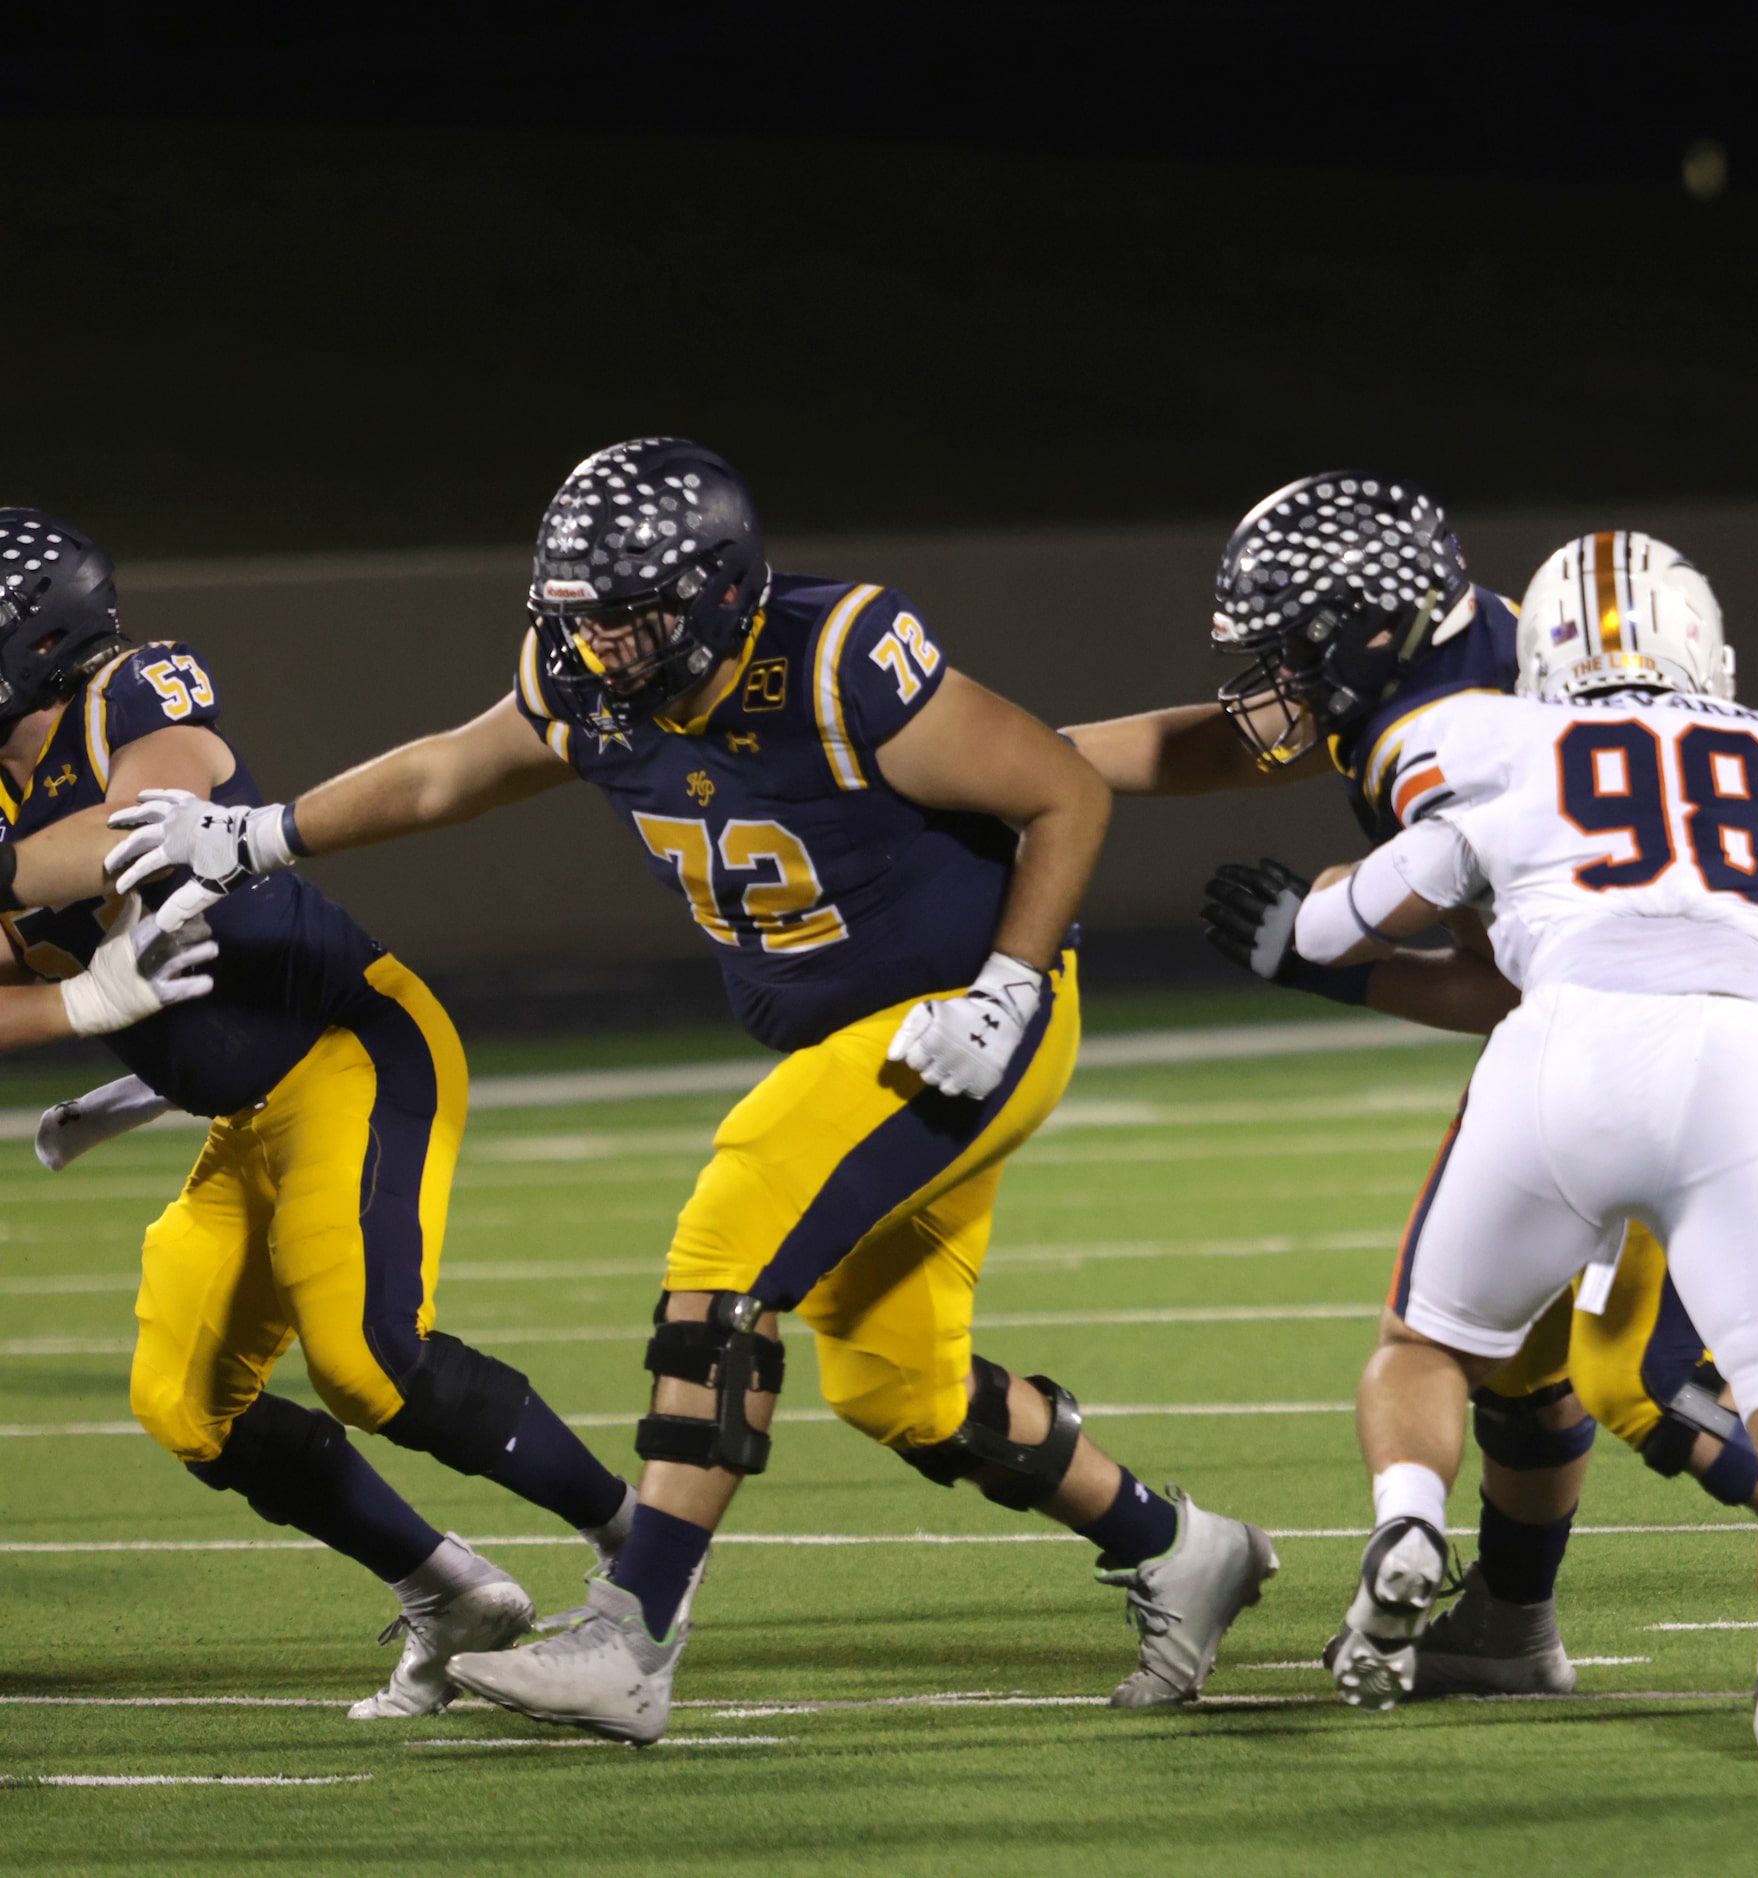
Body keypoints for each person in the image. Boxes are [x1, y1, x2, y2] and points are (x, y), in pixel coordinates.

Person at [104, 440, 1279, 1742]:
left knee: (730, 1233)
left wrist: (1005, 984)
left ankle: (632, 1628)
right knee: (902, 1382)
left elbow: (1057, 790)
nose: (602, 644)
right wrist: (262, 833)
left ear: (718, 590)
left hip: (958, 1018)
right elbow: (448, 769)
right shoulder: (582, 682)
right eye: (580, 617)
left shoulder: (840, 655)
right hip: (849, 1040)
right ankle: (1180, 1544)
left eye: (631, 614)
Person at [1072, 488, 1758, 1709]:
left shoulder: (1448, 727)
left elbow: (1495, 984)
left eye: (1295, 642)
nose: (1271, 676)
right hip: (1677, 1001)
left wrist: (1333, 969)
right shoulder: (1464, 637)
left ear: (1372, 630)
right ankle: (1512, 1627)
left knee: (1629, 1372)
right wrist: (1034, 757)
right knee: (1522, 1363)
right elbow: (1243, 737)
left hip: (1711, 1015)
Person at [1259, 528, 1758, 1755]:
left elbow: (1340, 925)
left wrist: (1316, 921)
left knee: (1428, 1346)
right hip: (1733, 1068)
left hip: (1551, 1062)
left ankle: (1408, 1516)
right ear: (1703, 644)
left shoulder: (1497, 744)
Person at [0, 507, 638, 1719]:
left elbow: (130, 832)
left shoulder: (131, 690)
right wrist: (81, 1008)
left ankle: (640, 1538)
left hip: (352, 1044)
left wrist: (65, 961)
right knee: (183, 1401)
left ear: (33, 637)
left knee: (368, 1363)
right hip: (243, 1104)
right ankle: (448, 1591)